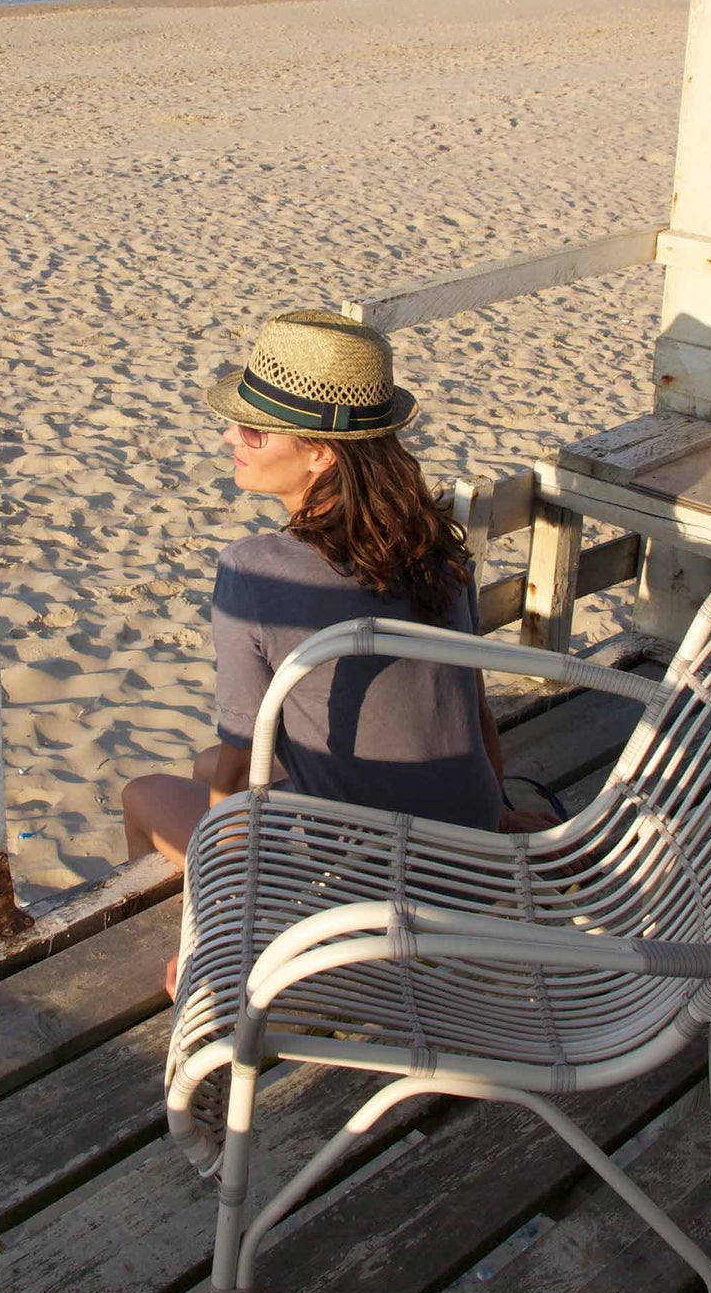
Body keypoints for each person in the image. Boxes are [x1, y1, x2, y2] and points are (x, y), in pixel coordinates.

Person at [123, 309, 543, 903]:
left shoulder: (254, 569)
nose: (229, 438)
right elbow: (473, 717)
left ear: (320, 453)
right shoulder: (437, 548)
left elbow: (241, 775)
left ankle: (198, 948)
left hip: (357, 880)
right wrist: (493, 817)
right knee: (204, 762)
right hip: (465, 848)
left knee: (142, 793)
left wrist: (227, 920)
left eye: (253, 430)